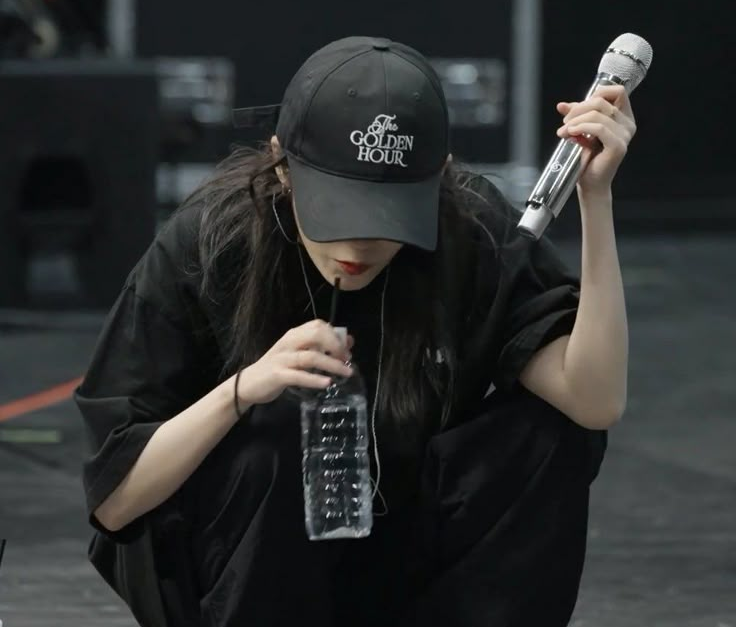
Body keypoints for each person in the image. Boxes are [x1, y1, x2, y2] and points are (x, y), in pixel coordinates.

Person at [75, 36, 635, 627]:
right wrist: (243, 389)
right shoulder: (209, 242)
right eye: (336, 210)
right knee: (276, 428)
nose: (357, 247)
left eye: (388, 215)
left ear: (438, 179)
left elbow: (593, 401)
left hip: (396, 551)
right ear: (282, 166)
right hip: (244, 566)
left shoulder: (467, 227)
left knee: (548, 433)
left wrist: (596, 200)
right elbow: (115, 506)